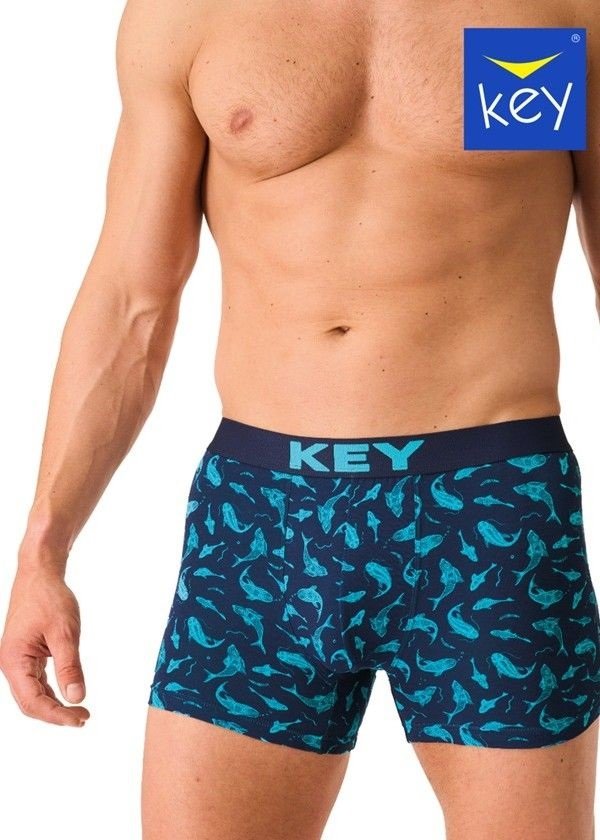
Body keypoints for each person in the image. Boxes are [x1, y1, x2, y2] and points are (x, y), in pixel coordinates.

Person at [2, 1, 600, 837]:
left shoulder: (556, 11)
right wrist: (42, 549)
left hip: (493, 509)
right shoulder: (186, 16)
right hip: (261, 519)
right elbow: (133, 300)